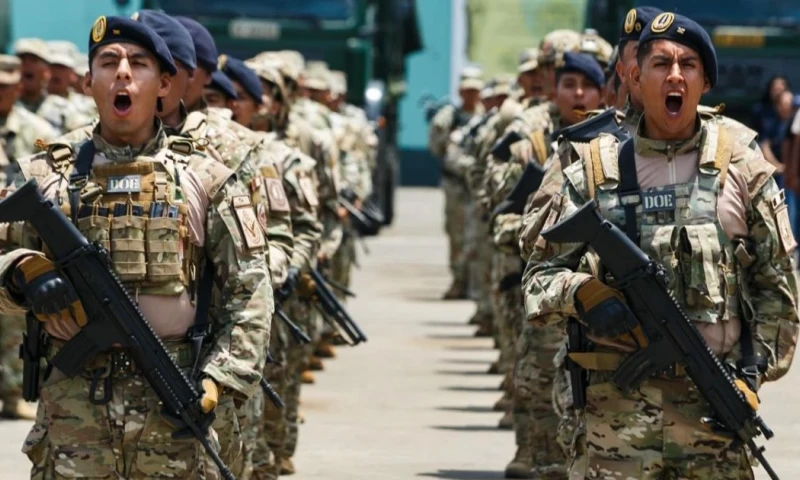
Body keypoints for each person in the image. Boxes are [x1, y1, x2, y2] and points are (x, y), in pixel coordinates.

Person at [522, 13, 799, 478]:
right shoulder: (593, 170)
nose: (675, 75)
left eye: (688, 65)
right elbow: (537, 279)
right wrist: (582, 293)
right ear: (633, 77)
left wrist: (751, 377)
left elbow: (780, 293)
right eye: (661, 64)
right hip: (616, 427)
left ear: (705, 81)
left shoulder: (744, 171)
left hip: (716, 417)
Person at [3, 16, 272, 478]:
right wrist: (25, 271)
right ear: (89, 82)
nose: (122, 73)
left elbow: (250, 292)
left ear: (166, 83)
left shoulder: (205, 179)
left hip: (175, 401)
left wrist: (220, 378)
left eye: (139, 63)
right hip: (74, 417)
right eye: (108, 62)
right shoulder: (47, 177)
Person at [492, 52, 605, 480]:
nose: (578, 94)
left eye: (587, 85)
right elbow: (500, 210)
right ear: (552, 90)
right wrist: (532, 239)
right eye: (569, 84)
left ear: (603, 91)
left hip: (595, 292)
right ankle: (534, 457)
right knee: (535, 380)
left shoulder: (613, 144)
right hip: (547, 280)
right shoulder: (533, 144)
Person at [0, 54, 58, 421]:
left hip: (14, 232)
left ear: (19, 86)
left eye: (6, 85)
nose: (0, 91)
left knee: (12, 319)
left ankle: (11, 391)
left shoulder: (36, 130)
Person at [428, 66, 485, 300]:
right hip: (456, 186)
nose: (470, 95)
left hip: (479, 187)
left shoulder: (488, 115)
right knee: (456, 233)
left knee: (478, 236)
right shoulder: (449, 117)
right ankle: (458, 280)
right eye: (466, 90)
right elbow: (436, 146)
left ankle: (475, 285)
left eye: (475, 90)